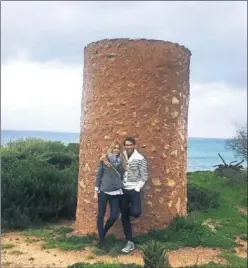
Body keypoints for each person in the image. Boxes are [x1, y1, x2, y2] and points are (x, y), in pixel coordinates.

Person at [94, 141, 126, 249]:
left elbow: (123, 173)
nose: (116, 150)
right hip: (104, 190)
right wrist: (96, 190)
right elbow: (98, 175)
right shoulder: (104, 159)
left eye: (118, 148)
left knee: (113, 216)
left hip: (116, 191)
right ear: (111, 149)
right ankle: (102, 241)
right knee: (101, 215)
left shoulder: (122, 160)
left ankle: (102, 233)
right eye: (114, 148)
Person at [120, 136, 148, 253]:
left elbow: (144, 175)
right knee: (125, 218)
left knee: (136, 213)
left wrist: (137, 188)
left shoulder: (140, 158)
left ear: (134, 145)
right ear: (124, 146)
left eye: (130, 145)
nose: (129, 147)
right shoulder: (121, 156)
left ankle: (124, 212)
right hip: (122, 190)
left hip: (134, 190)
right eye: (127, 145)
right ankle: (129, 242)